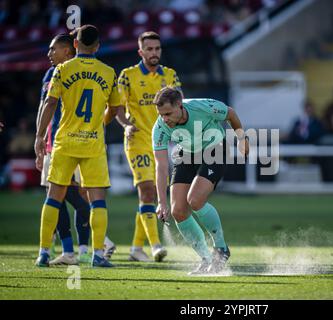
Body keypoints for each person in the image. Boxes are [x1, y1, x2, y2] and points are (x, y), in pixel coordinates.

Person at [34, 25, 121, 268]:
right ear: (98, 46)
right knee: (97, 200)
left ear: (75, 45)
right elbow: (114, 108)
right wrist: (100, 122)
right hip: (93, 144)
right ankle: (97, 255)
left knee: (53, 197)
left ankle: (43, 253)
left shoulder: (61, 70)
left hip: (65, 142)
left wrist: (39, 137)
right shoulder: (108, 72)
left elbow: (50, 103)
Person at [152, 87, 249, 275]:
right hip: (186, 153)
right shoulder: (160, 127)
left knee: (195, 200)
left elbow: (231, 113)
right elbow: (161, 167)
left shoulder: (203, 107)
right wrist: (161, 203)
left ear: (180, 105)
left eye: (168, 114)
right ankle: (206, 259)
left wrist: (241, 139)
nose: (164, 119)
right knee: (178, 211)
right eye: (161, 115)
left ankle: (221, 249)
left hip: (215, 148)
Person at [111, 31, 181, 262]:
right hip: (137, 140)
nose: (154, 53)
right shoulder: (127, 75)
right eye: (149, 49)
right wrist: (125, 125)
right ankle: (156, 245)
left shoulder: (170, 75)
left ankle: (135, 248)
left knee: (148, 197)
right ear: (140, 52)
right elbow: (118, 106)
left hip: (161, 143)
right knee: (148, 190)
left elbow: (180, 103)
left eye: (157, 49)